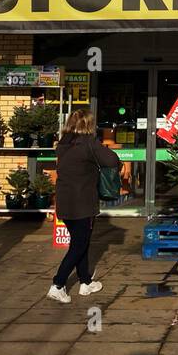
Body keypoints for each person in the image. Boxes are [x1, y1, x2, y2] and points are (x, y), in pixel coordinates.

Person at [48, 108, 120, 303]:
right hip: (83, 204)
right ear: (89, 125)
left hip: (65, 202)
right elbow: (113, 160)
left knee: (82, 241)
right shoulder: (89, 143)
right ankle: (58, 284)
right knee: (79, 245)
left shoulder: (63, 144)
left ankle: (85, 282)